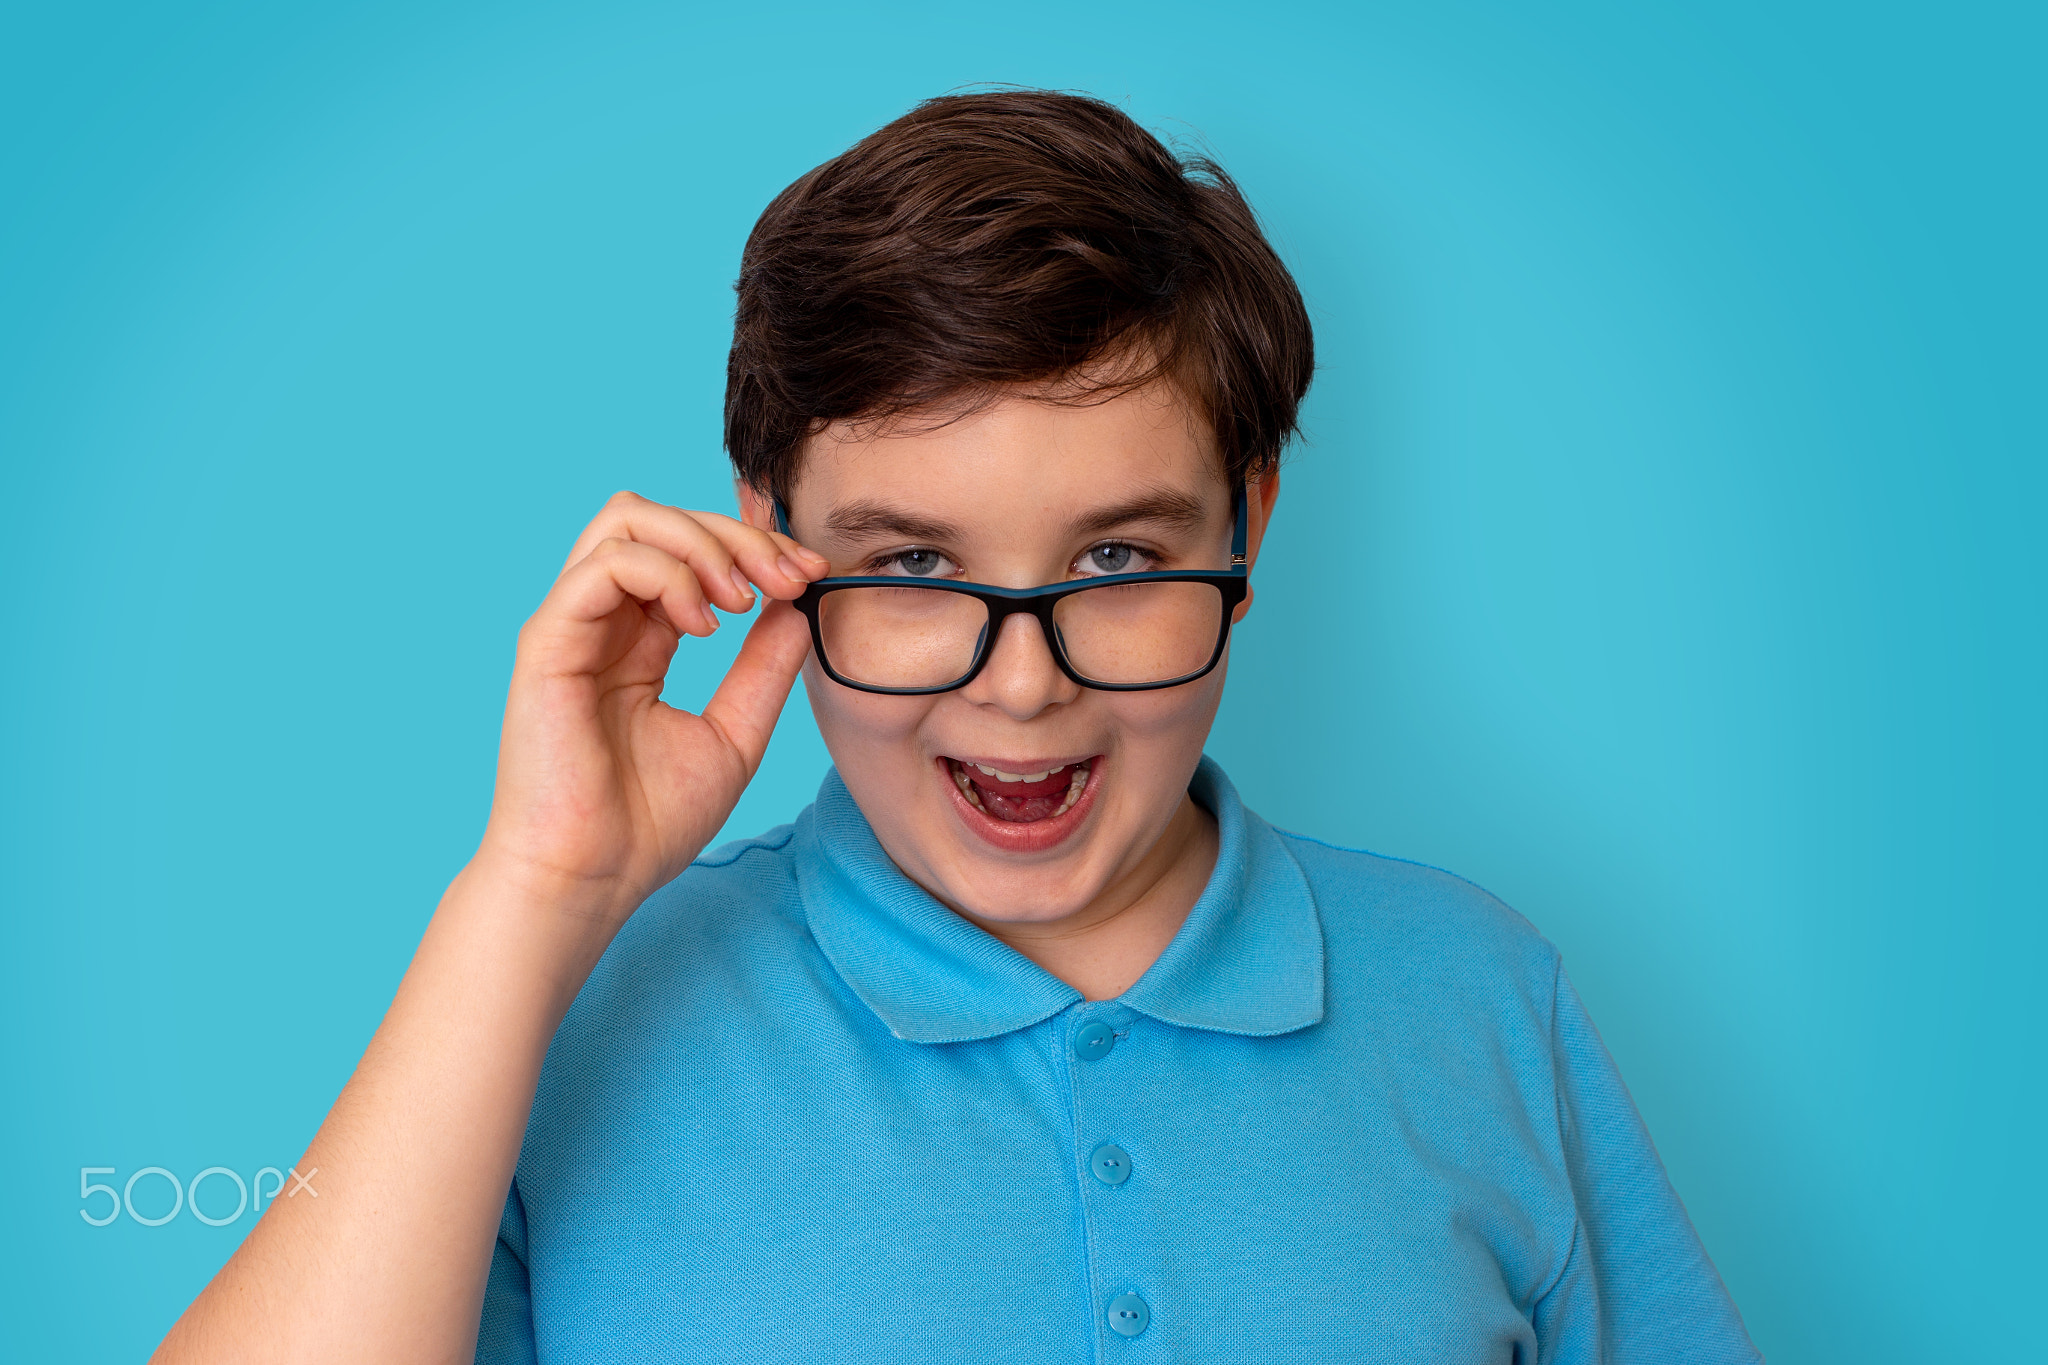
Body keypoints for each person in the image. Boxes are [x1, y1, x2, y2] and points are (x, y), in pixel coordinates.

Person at [155, 90, 1759, 1364]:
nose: (1021, 685)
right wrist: (537, 889)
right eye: (914, 564)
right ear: (766, 537)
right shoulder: (577, 1010)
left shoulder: (1480, 995)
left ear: (1249, 527)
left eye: (1118, 559)